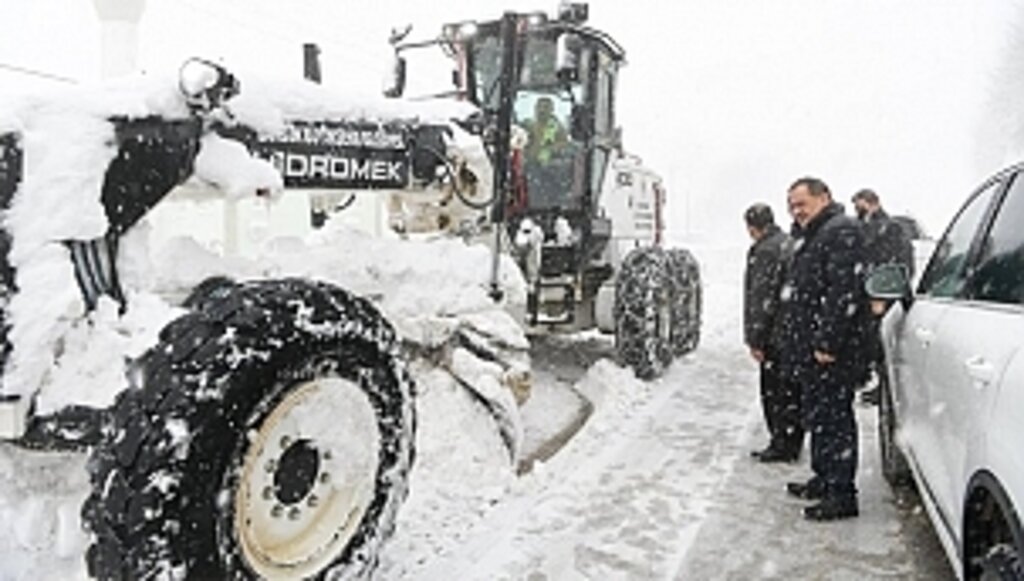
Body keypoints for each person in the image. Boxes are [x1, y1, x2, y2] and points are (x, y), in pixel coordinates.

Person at [778, 177, 869, 521]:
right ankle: (823, 477)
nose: (796, 211)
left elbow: (842, 291)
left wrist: (828, 342)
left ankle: (842, 493)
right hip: (812, 348)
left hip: (831, 351)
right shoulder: (814, 234)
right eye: (792, 206)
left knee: (834, 419)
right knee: (818, 415)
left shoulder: (840, 231)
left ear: (824, 198)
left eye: (802, 203)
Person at [743, 203, 803, 463]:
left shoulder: (765, 251)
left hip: (774, 334)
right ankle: (792, 440)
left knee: (774, 392)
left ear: (752, 227)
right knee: (790, 391)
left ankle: (782, 444)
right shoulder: (788, 243)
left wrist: (756, 338)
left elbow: (761, 297)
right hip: (790, 330)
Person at [850, 188, 914, 405]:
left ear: (873, 203)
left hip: (885, 295)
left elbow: (900, 264)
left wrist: (884, 294)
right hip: (870, 294)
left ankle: (883, 386)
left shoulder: (891, 229)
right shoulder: (863, 227)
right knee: (870, 343)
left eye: (861, 205)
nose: (858, 211)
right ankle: (874, 382)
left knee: (882, 346)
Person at [524, 96, 567, 166]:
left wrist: (553, 148)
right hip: (528, 167)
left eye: (546, 107)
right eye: (539, 107)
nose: (542, 110)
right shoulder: (528, 127)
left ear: (551, 110)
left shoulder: (558, 129)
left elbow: (563, 146)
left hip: (549, 169)